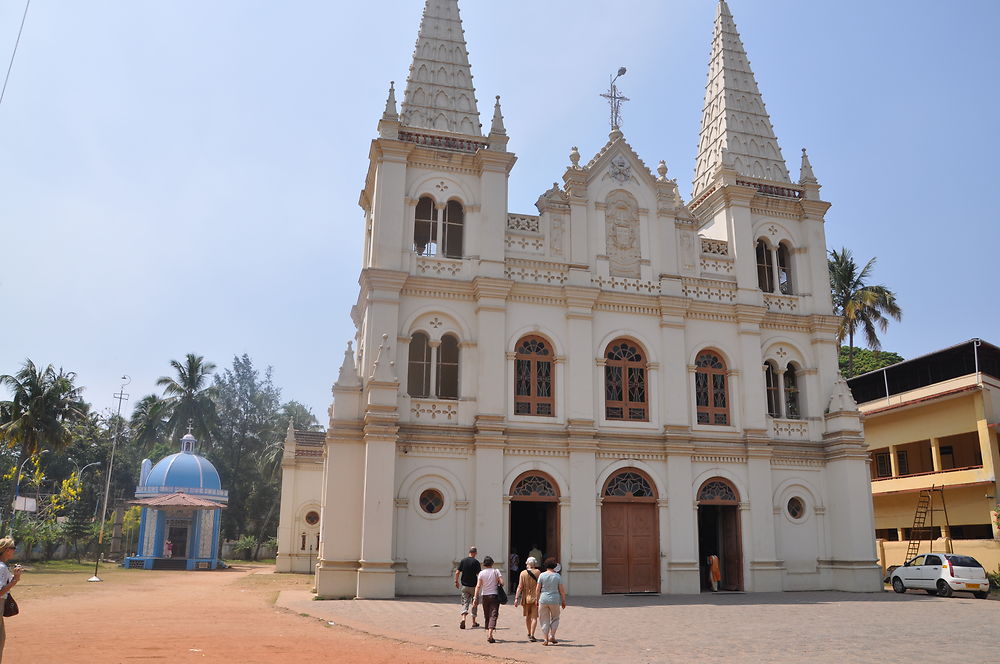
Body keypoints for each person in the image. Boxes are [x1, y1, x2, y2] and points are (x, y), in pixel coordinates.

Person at [0, 537, 23, 662]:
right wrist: (15, 580)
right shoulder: (1, 567)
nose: (14, 550)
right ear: (6, 550)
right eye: (13, 548)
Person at [471, 555, 504, 644]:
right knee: (493, 614)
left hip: (484, 596)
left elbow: (478, 586)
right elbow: (502, 582)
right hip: (494, 595)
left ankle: (489, 633)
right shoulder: (496, 571)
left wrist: (475, 597)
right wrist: (497, 580)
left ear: (484, 564)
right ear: (492, 563)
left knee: (487, 615)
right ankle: (490, 633)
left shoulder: (481, 573)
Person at [537, 557, 566, 646]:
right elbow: (561, 590)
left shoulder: (542, 575)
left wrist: (536, 599)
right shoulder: (557, 576)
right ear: (554, 566)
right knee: (555, 618)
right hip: (554, 599)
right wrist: (563, 601)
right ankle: (552, 635)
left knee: (544, 619)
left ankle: (545, 639)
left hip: (543, 599)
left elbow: (538, 589)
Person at [514, 556, 540, 641]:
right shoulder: (538, 572)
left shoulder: (523, 573)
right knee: (534, 617)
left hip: (526, 597)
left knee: (528, 616)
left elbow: (520, 587)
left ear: (527, 563)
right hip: (535, 597)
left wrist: (516, 598)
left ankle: (529, 632)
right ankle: (532, 634)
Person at [454, 546, 481, 629]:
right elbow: (479, 575)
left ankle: (463, 618)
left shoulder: (463, 561)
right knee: (474, 603)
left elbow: (457, 572)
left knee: (465, 603)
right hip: (473, 587)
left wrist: (456, 581)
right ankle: (473, 622)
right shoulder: (476, 562)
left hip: (464, 586)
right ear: (475, 553)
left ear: (469, 552)